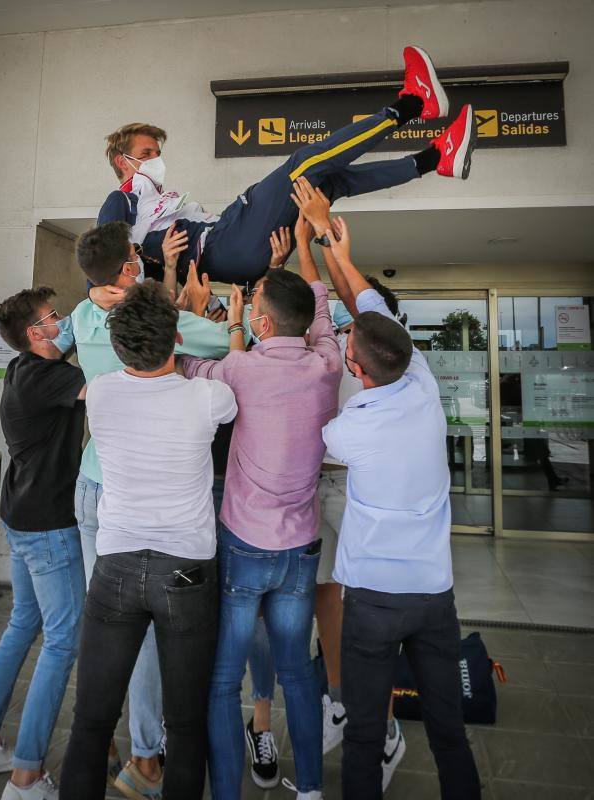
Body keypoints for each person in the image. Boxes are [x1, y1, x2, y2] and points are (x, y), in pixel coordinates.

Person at [65, 220, 251, 799]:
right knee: (186, 722)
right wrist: (230, 320)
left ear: (117, 346)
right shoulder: (208, 397)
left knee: (92, 721)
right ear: (176, 340)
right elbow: (233, 364)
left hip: (116, 567)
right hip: (186, 572)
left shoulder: (102, 392)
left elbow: (108, 337)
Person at [317, 218, 482, 799]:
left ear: (357, 372)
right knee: (448, 732)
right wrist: (343, 254)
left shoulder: (349, 430)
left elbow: (322, 429)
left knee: (363, 735)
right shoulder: (421, 382)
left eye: (347, 353)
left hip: (374, 604)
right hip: (435, 600)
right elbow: (369, 310)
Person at [180, 217, 343, 800]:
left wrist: (186, 310)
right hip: (300, 548)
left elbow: (188, 369)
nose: (248, 310)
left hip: (245, 547)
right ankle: (312, 791)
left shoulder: (242, 369)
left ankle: (226, 791)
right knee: (298, 672)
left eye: (253, 306)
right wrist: (297, 257)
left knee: (224, 681)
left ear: (262, 322)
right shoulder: (327, 365)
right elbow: (320, 315)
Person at [99, 46, 476, 284]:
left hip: (234, 249)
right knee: (303, 167)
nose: (155, 160)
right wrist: (137, 278)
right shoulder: (123, 198)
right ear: (123, 161)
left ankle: (435, 159)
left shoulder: (154, 201)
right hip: (224, 245)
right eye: (147, 154)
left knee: (327, 183)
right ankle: (412, 104)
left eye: (156, 153)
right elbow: (101, 267)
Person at [291, 177, 408, 790]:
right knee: (323, 596)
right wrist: (306, 245)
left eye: (350, 306)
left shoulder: (383, 348)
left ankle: (385, 725)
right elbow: (315, 296)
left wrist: (326, 236)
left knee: (365, 613)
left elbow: (340, 289)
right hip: (318, 485)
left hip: (360, 487)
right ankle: (338, 697)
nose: (340, 309)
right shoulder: (325, 334)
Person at [0, 288, 86, 800]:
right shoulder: (55, 380)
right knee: (62, 640)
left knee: (23, 624)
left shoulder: (23, 368)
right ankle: (27, 775)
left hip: (21, 514)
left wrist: (89, 309)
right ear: (35, 333)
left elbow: (71, 340)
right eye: (53, 316)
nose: (63, 321)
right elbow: (116, 380)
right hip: (50, 526)